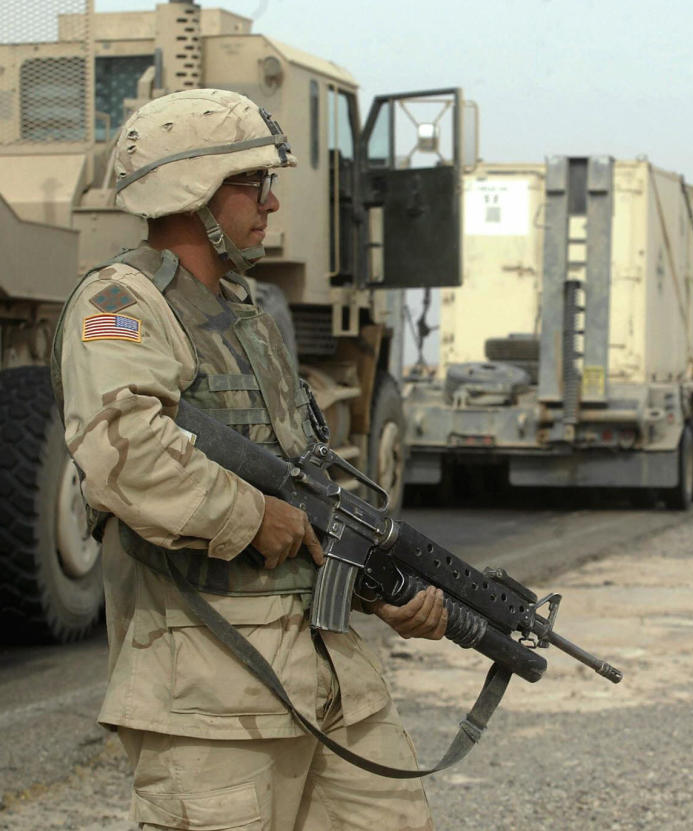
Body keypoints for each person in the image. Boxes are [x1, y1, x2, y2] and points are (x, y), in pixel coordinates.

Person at [51, 88, 445, 831]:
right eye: (251, 182)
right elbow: (125, 454)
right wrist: (252, 514)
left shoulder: (252, 316)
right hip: (214, 699)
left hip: (328, 683)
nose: (269, 202)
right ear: (190, 192)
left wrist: (377, 589)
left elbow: (305, 490)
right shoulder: (120, 304)